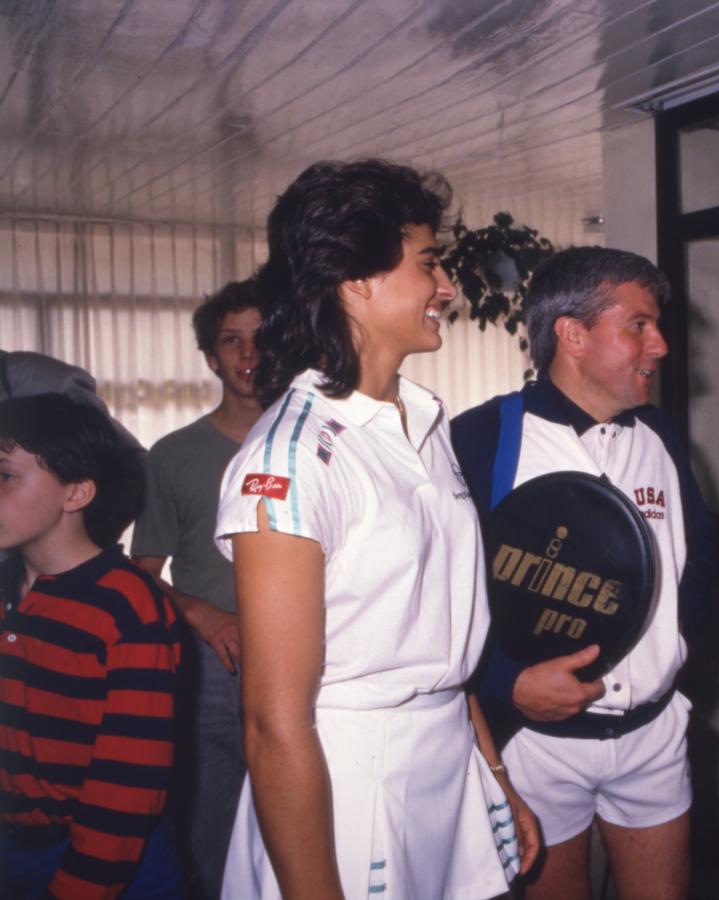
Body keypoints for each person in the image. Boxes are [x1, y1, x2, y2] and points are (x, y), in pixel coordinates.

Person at [213, 158, 536, 900]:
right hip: (348, 790)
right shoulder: (291, 458)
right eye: (428, 264)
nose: (446, 288)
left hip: (446, 760)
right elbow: (272, 722)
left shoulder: (422, 420)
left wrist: (494, 780)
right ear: (356, 278)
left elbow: (440, 648)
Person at [451, 246, 714, 900]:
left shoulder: (659, 434)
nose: (659, 346)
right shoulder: (480, 441)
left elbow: (696, 565)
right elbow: (437, 604)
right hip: (535, 746)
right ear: (571, 334)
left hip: (652, 734)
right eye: (638, 325)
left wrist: (673, 650)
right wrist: (506, 684)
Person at [0, 393, 181, 899]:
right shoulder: (7, 588)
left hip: (109, 862)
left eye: (4, 476)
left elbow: (128, 785)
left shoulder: (127, 607)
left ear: (75, 493)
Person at [131, 279, 261, 898]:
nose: (248, 355)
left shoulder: (316, 446)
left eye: (261, 339)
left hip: (320, 659)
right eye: (231, 341)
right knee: (213, 828)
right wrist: (201, 613)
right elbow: (140, 578)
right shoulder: (174, 456)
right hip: (215, 668)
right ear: (212, 356)